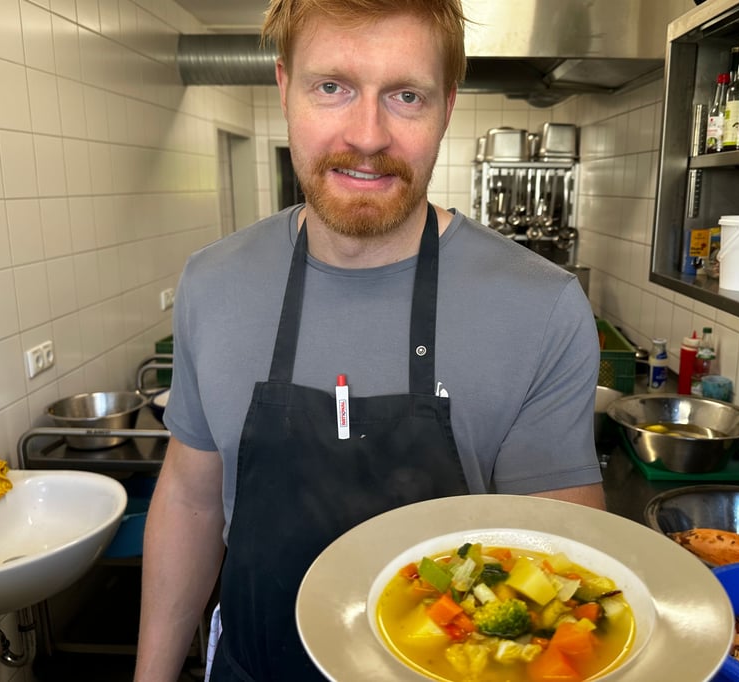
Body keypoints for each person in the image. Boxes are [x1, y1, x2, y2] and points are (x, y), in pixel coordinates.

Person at [134, 0, 604, 679]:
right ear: (284, 88)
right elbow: (191, 500)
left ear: (446, 108)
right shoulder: (213, 282)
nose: (367, 135)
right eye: (332, 87)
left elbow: (562, 571)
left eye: (406, 96)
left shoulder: (541, 308)